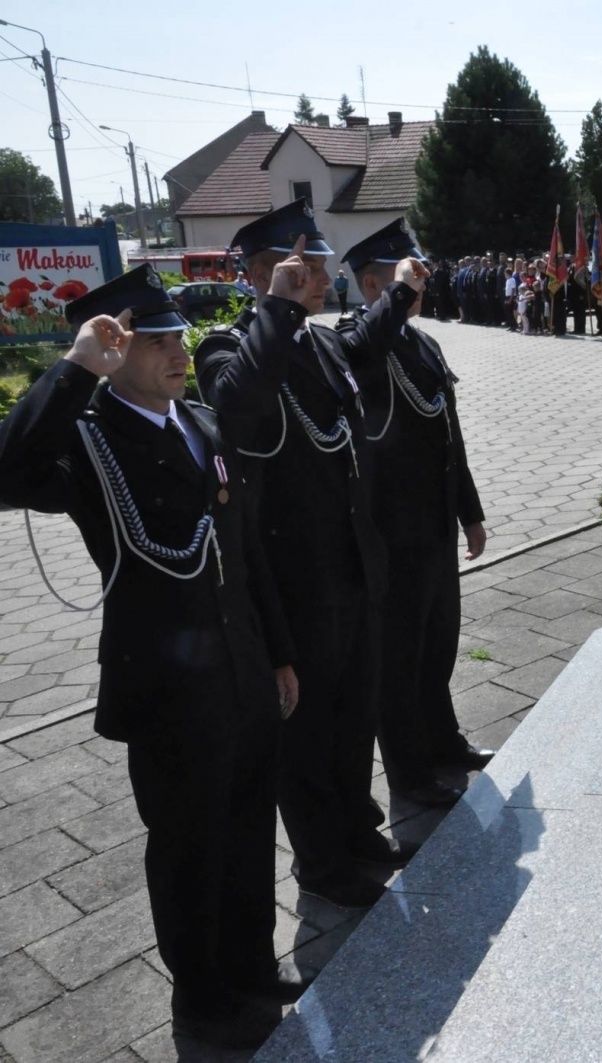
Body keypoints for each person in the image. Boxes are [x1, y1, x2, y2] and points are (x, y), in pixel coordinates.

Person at [0, 266, 300, 1049]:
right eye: (156, 340)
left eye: (178, 336)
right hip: (168, 688)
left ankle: (251, 964)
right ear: (115, 349)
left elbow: (245, 551)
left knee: (248, 828)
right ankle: (202, 1000)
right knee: (189, 849)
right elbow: (8, 470)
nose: (178, 351)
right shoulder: (90, 440)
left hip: (241, 669)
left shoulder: (198, 420)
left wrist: (278, 653)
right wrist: (74, 368)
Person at [194, 198, 423, 910]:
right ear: (265, 273)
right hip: (295, 578)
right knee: (309, 731)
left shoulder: (319, 342)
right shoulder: (229, 346)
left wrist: (403, 293)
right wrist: (277, 308)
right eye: (310, 267)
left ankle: (357, 828)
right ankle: (322, 862)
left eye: (322, 267)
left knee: (355, 713)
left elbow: (364, 347)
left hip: (351, 566)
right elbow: (236, 403)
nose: (325, 278)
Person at [339, 220, 493, 809]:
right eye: (406, 276)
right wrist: (398, 295)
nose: (420, 284)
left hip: (433, 526)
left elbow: (450, 436)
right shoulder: (356, 337)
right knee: (398, 658)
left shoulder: (424, 343)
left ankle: (443, 742)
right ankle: (409, 771)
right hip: (389, 535)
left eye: (420, 276)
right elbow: (361, 353)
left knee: (437, 644)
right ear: (372, 284)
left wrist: (469, 513)